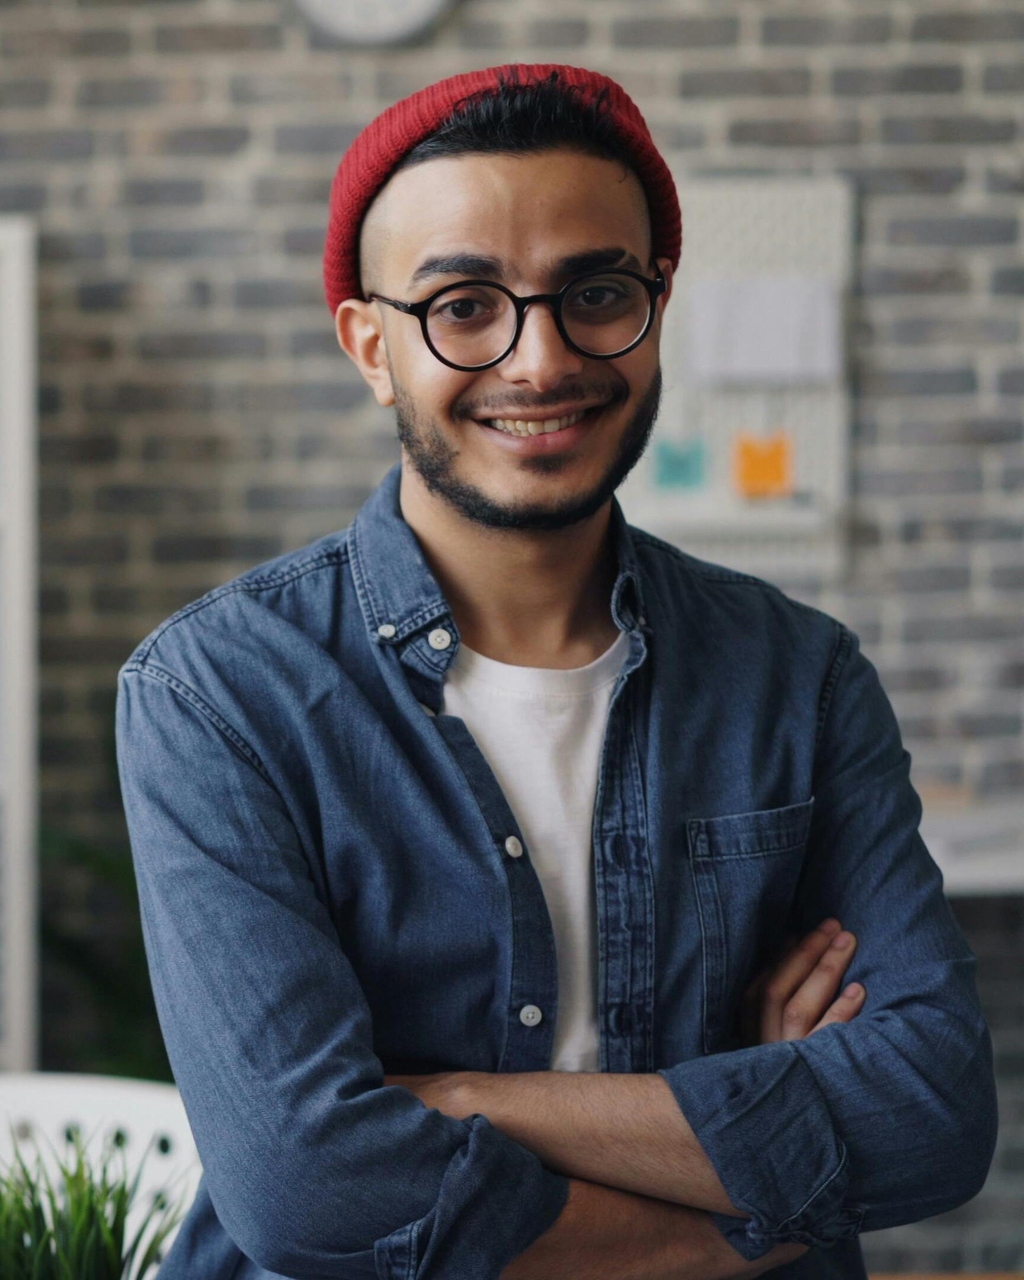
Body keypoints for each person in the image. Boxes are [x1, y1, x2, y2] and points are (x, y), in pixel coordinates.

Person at [116, 64, 997, 1280]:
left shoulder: (800, 676)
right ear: (371, 346)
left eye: (594, 293)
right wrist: (759, 1200)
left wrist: (461, 1097)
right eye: (463, 305)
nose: (538, 359)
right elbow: (305, 1183)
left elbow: (933, 1112)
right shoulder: (217, 694)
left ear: (656, 303)